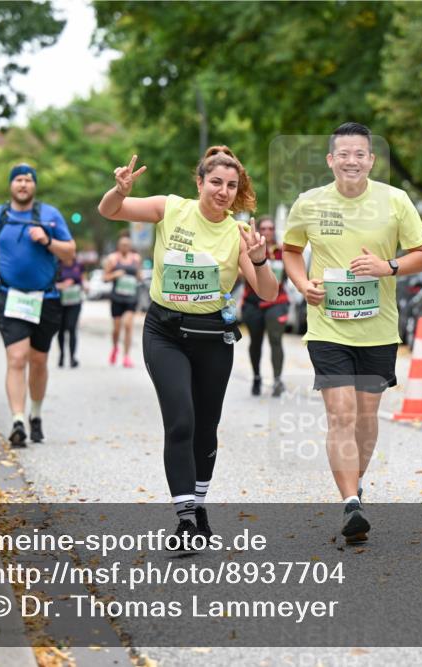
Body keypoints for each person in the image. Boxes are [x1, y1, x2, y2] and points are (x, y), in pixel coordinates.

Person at [97, 146, 278, 544]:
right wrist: (120, 190)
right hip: (165, 332)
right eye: (215, 182)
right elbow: (110, 211)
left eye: (231, 185)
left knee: (206, 429)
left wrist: (261, 260)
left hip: (213, 336)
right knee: (181, 421)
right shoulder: (171, 208)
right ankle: (185, 520)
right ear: (199, 183)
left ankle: (198, 504)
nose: (223, 191)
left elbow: (266, 292)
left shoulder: (238, 233)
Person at [282, 122, 422, 542]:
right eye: (343, 154)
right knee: (341, 414)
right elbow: (290, 251)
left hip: (378, 328)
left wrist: (389, 266)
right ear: (331, 160)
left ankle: (355, 486)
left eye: (359, 154)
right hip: (328, 326)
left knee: (366, 418)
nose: (351, 160)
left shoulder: (395, 200)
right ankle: (350, 504)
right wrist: (301, 283)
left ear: (371, 160)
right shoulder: (309, 203)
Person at [0, 164, 76, 447]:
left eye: (28, 180)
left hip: (45, 298)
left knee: (39, 360)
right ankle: (17, 420)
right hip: (11, 297)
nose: (23, 184)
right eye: (18, 180)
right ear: (11, 185)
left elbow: (69, 253)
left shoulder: (50, 215)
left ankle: (35, 414)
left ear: (34, 186)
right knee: (17, 358)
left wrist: (47, 240)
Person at [242, 215, 290, 397]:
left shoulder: (281, 251)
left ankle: (277, 380)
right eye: (263, 229)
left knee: (276, 340)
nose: (267, 232)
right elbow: (240, 273)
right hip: (252, 303)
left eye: (271, 229)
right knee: (255, 342)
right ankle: (256, 377)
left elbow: (291, 273)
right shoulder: (247, 248)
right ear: (257, 231)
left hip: (277, 302)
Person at [103, 232, 142, 367]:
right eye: (122, 245)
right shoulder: (113, 259)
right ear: (119, 246)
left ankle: (126, 356)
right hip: (117, 298)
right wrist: (115, 274)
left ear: (130, 246)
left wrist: (139, 277)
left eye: (127, 245)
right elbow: (105, 278)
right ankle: (115, 348)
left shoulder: (136, 259)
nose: (125, 247)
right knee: (117, 328)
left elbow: (139, 276)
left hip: (131, 297)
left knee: (128, 325)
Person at [56, 256, 86, 368]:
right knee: (61, 329)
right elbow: (50, 284)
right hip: (60, 302)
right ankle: (62, 354)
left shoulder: (78, 264)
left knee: (72, 327)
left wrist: (84, 286)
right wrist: (62, 285)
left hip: (75, 301)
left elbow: (82, 280)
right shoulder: (56, 264)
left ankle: (72, 357)